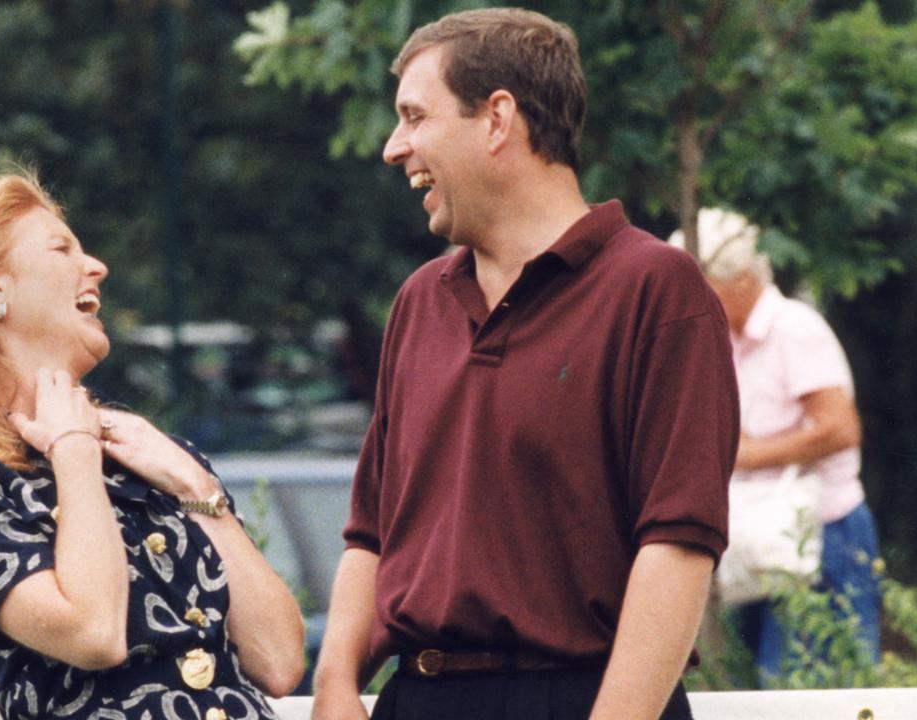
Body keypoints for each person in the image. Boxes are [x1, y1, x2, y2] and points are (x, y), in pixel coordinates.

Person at [309, 9, 739, 720]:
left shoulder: (657, 289)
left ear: (498, 118)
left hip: (583, 699)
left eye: (415, 117)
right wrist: (332, 687)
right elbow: (372, 532)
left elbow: (679, 544)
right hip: (417, 698)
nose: (394, 148)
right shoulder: (420, 301)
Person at [0, 172, 305, 720]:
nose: (96, 266)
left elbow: (280, 663)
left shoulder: (146, 453)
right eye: (61, 248)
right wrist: (73, 453)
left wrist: (196, 488)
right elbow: (93, 633)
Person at [670, 207, 881, 680]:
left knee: (815, 687)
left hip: (823, 534)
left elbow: (840, 429)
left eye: (703, 290)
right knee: (760, 688)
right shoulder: (721, 339)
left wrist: (747, 453)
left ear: (740, 279)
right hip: (759, 540)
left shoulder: (794, 328)